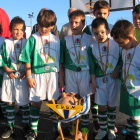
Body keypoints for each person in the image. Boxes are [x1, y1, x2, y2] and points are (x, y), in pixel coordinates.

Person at [19, 9, 61, 140]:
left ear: (53, 25)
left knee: (52, 102)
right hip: (37, 75)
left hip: (53, 76)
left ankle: (57, 129)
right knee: (36, 103)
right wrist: (29, 76)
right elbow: (26, 58)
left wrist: (61, 79)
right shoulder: (33, 38)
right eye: (41, 25)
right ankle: (34, 130)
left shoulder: (56, 40)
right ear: (37, 23)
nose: (43, 28)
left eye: (47, 26)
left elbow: (60, 60)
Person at [59, 9, 93, 136]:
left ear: (83, 24)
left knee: (84, 100)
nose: (73, 25)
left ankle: (83, 129)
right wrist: (61, 78)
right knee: (72, 100)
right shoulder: (66, 40)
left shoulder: (90, 39)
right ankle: (74, 129)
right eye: (71, 22)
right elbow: (61, 60)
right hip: (70, 72)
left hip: (85, 72)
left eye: (77, 23)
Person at [88, 17, 121, 140]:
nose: (100, 35)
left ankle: (111, 129)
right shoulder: (92, 47)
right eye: (96, 33)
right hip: (99, 80)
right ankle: (103, 129)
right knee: (101, 106)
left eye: (102, 32)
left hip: (113, 79)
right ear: (93, 33)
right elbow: (92, 66)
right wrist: (92, 81)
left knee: (111, 106)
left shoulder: (116, 44)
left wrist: (117, 70)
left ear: (107, 30)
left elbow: (121, 60)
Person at [83, 0, 113, 133]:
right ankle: (96, 123)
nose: (101, 15)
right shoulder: (88, 29)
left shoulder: (112, 28)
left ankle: (107, 124)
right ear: (93, 13)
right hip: (92, 68)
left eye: (104, 13)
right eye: (98, 13)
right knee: (95, 97)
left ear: (109, 13)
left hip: (108, 70)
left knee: (109, 99)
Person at [0, 16, 30, 139]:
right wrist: (7, 70)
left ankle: (26, 126)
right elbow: (1, 59)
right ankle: (10, 126)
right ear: (11, 29)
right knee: (10, 101)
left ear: (24, 30)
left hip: (23, 77)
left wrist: (26, 73)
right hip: (9, 76)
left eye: (20, 29)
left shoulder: (27, 43)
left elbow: (30, 59)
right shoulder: (6, 43)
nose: (18, 32)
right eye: (15, 29)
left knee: (24, 103)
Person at [111, 19, 140, 140]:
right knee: (128, 114)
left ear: (131, 37)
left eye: (121, 42)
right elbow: (124, 64)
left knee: (137, 116)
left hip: (137, 91)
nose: (119, 45)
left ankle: (137, 135)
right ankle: (130, 134)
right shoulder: (124, 50)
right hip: (126, 88)